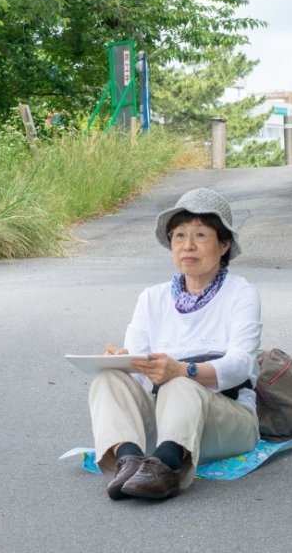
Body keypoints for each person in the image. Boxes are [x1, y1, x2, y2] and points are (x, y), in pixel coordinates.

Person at [88, 187, 261, 501]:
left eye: (200, 235)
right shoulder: (151, 298)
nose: (188, 245)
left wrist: (184, 369)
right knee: (108, 378)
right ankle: (128, 461)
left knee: (180, 382)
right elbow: (140, 373)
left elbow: (241, 366)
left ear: (224, 245)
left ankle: (165, 468)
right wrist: (126, 362)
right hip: (165, 418)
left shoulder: (241, 293)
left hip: (227, 419)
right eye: (179, 236)